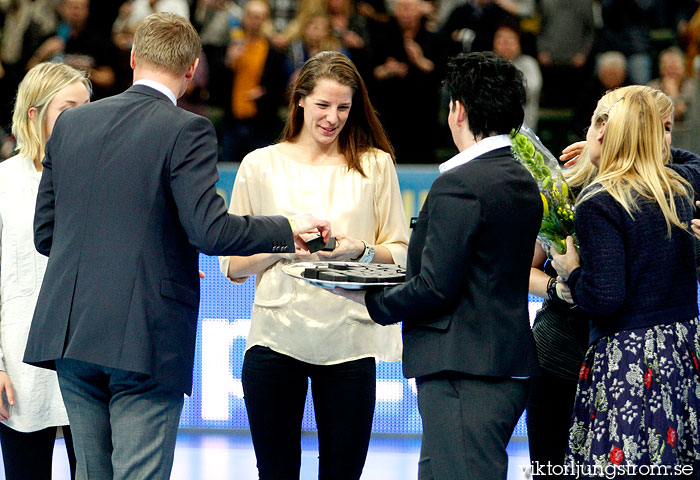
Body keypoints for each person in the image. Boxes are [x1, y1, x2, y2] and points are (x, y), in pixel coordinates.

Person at [22, 13, 330, 480]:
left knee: (90, 472)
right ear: (191, 70)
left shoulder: (72, 124)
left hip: (71, 332)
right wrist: (286, 228)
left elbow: (47, 235)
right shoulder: (187, 129)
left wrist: (152, 256)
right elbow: (210, 232)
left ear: (131, 58)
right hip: (143, 333)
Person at [334, 51, 542, 479]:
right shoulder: (521, 177)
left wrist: (368, 299)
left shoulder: (461, 184)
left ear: (458, 110)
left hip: (464, 371)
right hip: (496, 365)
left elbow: (435, 286)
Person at [219, 50, 409, 480]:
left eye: (343, 107)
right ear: (300, 100)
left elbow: (400, 253)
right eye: (323, 105)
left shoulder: (376, 164)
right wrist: (285, 242)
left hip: (351, 341)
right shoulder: (260, 164)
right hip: (275, 339)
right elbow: (232, 266)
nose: (333, 117)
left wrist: (356, 249)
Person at [526, 87, 678, 477]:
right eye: (597, 120)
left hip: (622, 365)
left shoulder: (667, 190)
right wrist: (561, 289)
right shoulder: (566, 188)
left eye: (667, 128)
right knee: (551, 468)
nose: (599, 131)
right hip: (560, 356)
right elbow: (522, 271)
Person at [0, 61, 89, 480]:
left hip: (86, 359)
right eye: (69, 109)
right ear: (34, 114)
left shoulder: (100, 181)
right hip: (18, 361)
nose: (82, 119)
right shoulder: (3, 183)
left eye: (87, 109)